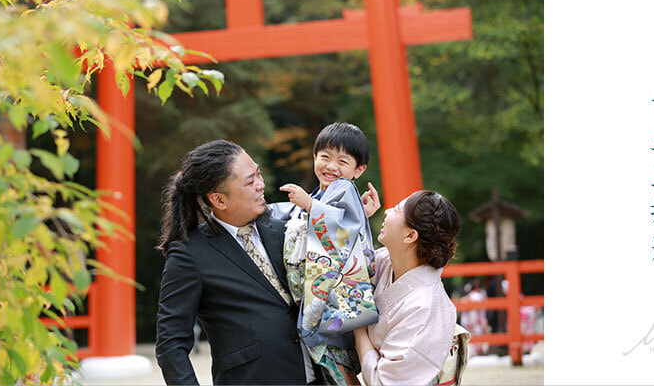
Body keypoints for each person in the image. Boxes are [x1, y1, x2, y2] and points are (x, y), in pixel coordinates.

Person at [155, 140, 324, 385]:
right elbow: (170, 343)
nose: (261, 185)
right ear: (219, 200)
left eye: (258, 174)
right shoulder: (189, 253)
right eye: (249, 181)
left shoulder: (286, 223)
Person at [278, 122, 380, 385]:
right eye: (324, 157)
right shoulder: (323, 193)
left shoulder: (343, 189)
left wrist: (310, 205)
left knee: (335, 360)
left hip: (336, 295)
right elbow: (346, 226)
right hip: (324, 291)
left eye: (343, 161)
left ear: (359, 170)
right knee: (330, 364)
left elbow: (343, 227)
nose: (331, 166)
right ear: (314, 157)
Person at [353, 190, 462, 385]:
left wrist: (358, 323)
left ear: (410, 235)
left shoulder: (424, 307)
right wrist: (357, 217)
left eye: (395, 210)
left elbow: (384, 382)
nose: (386, 212)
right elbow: (352, 263)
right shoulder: (386, 261)